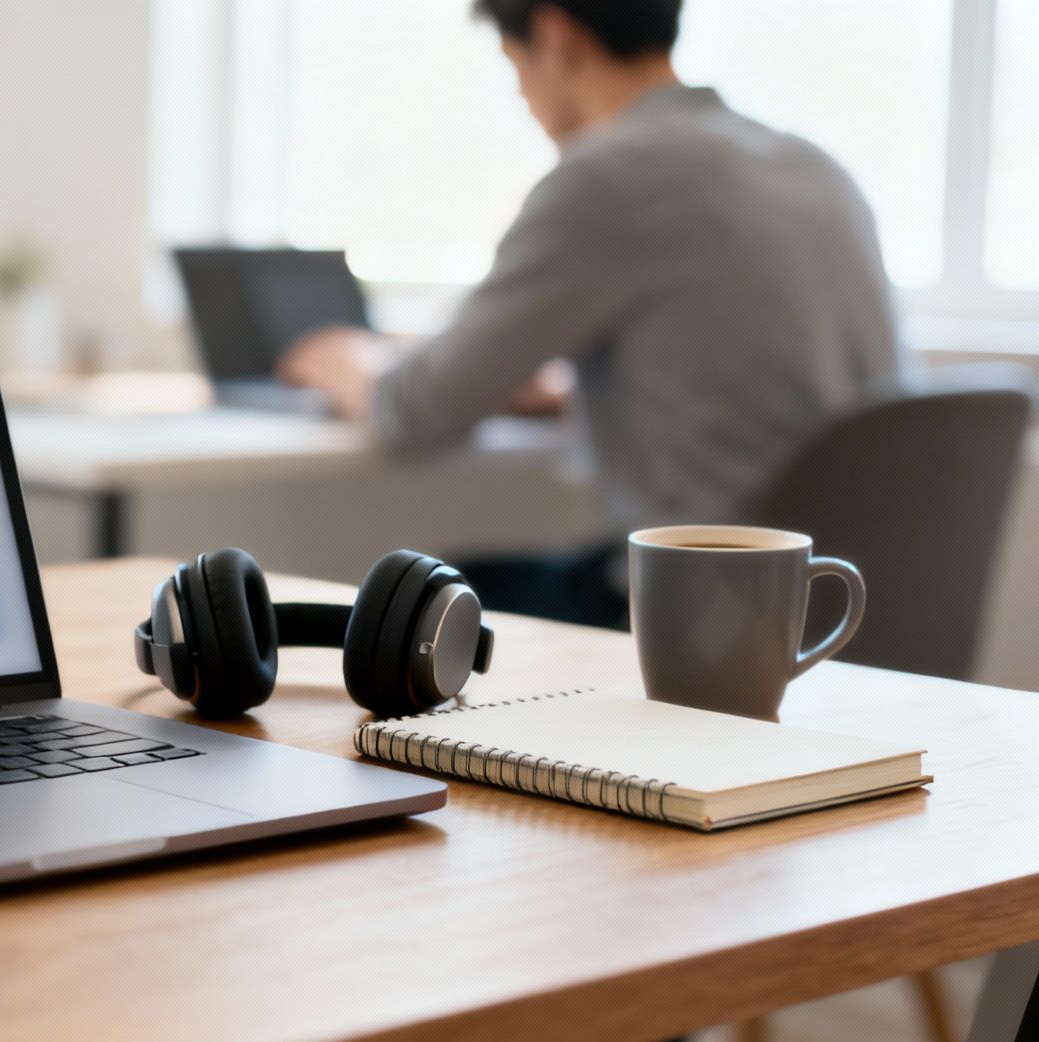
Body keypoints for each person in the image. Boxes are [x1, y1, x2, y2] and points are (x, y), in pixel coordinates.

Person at [277, 0, 904, 631]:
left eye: (513, 65)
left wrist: (344, 362)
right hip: (852, 605)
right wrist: (575, 391)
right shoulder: (817, 170)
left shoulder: (611, 176)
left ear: (555, 36)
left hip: (703, 618)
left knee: (427, 599)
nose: (522, 97)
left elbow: (415, 410)